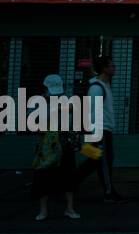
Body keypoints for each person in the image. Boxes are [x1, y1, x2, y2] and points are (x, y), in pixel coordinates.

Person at [75, 56, 124, 202]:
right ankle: (109, 193)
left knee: (94, 161)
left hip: (103, 130)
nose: (114, 67)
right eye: (111, 66)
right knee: (104, 161)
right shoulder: (97, 88)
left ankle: (68, 185)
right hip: (99, 131)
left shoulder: (105, 85)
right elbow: (91, 111)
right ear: (104, 68)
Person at [32, 75, 80, 221]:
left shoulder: (65, 100)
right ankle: (43, 211)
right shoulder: (38, 102)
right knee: (43, 177)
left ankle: (70, 208)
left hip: (64, 142)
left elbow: (73, 111)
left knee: (68, 176)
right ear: (45, 88)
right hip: (47, 145)